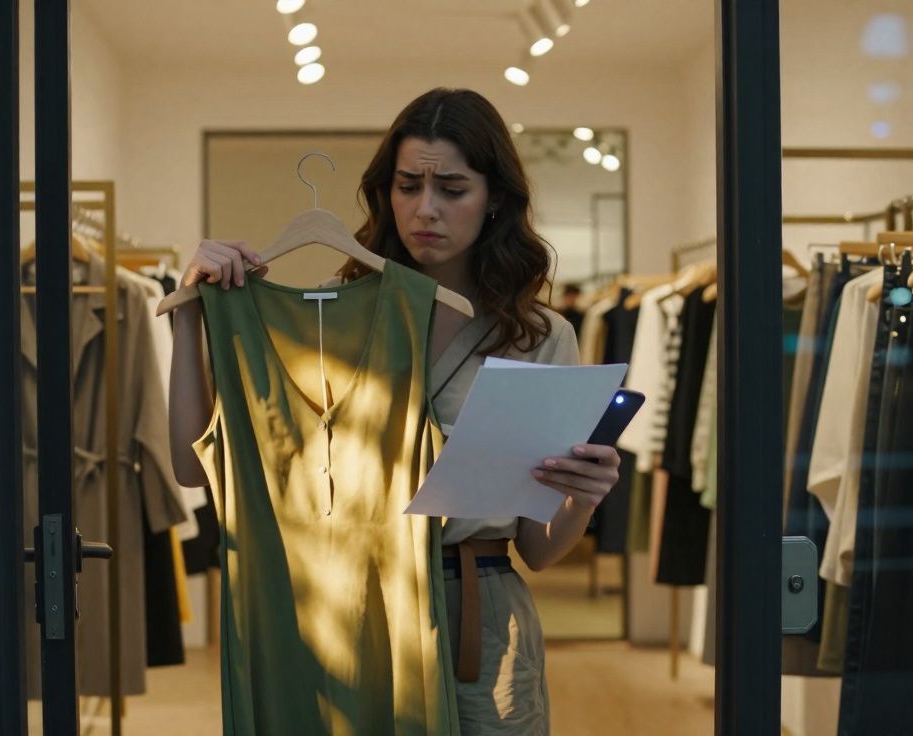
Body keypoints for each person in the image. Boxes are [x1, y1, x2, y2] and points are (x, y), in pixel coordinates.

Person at [168, 87, 620, 735]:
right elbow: (194, 469)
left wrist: (584, 496)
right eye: (408, 186)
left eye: (452, 189)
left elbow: (538, 551)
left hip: (477, 615)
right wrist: (191, 320)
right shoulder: (324, 318)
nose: (424, 209)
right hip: (354, 609)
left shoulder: (536, 336)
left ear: (495, 197)